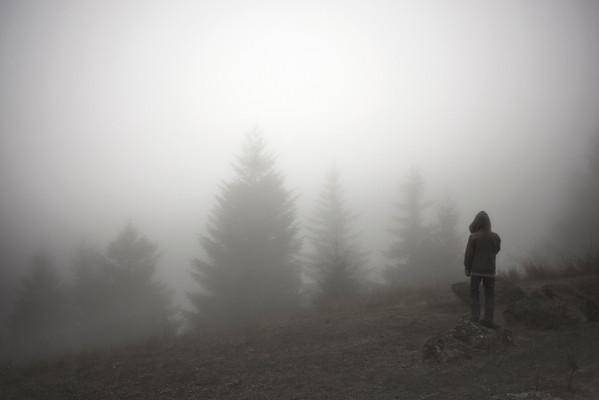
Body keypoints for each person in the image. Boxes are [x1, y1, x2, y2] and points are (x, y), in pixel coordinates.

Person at [464, 211, 501, 329]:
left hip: (476, 270)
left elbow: (469, 255)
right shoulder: (495, 237)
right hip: (490, 271)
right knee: (489, 295)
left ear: (477, 222)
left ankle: (475, 318)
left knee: (474, 294)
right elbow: (496, 250)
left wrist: (467, 268)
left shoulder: (473, 237)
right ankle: (488, 320)